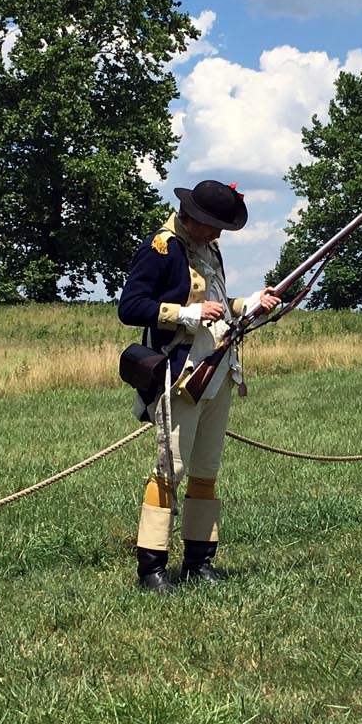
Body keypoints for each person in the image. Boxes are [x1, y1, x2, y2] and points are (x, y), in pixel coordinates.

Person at [116, 180, 280, 592]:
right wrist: (185, 314)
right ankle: (151, 569)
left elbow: (221, 306)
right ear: (192, 218)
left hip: (218, 369)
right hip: (181, 374)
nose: (218, 234)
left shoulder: (210, 248)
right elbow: (130, 307)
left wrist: (253, 302)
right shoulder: (161, 247)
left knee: (206, 470)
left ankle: (198, 562)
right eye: (212, 226)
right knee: (170, 470)